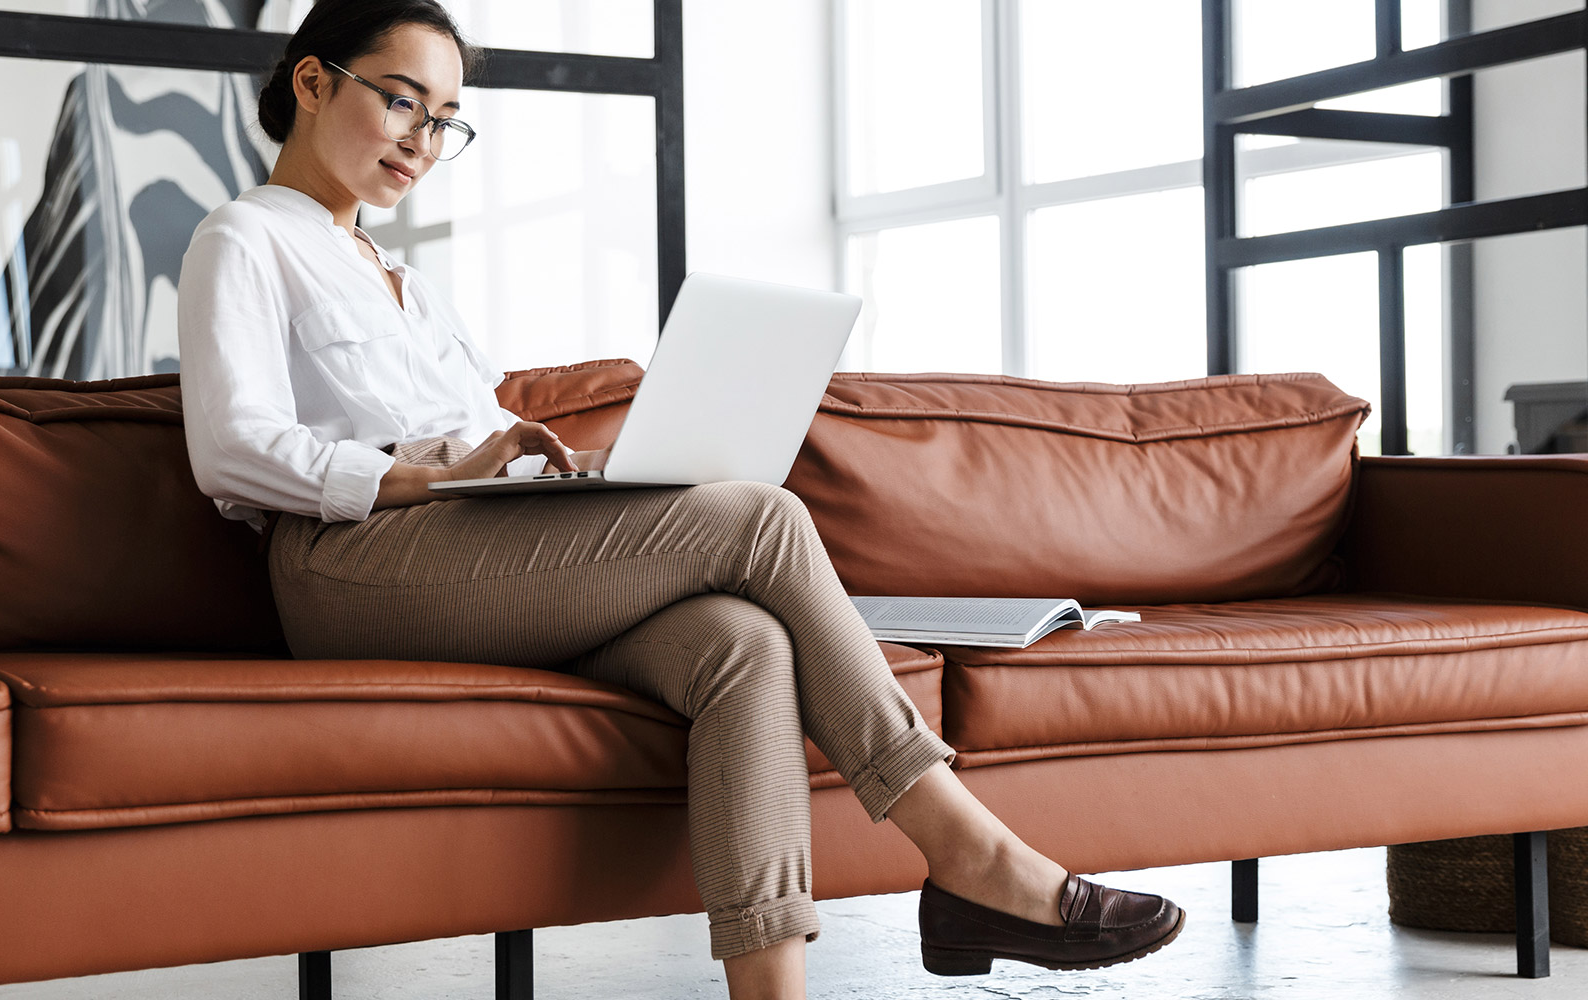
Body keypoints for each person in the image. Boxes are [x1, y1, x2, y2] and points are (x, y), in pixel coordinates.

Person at [175, 2, 1186, 997]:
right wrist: (428, 476)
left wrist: (534, 472)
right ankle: (971, 853)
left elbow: (469, 446)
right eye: (403, 103)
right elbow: (232, 450)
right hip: (348, 566)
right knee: (760, 514)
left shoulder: (410, 284)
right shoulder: (243, 240)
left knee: (742, 643)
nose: (423, 142)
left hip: (471, 549)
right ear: (312, 82)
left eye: (444, 121)